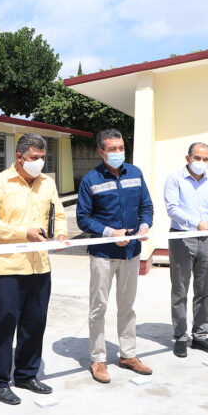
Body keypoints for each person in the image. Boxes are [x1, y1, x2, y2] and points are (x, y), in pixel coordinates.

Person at [0, 133, 68, 405]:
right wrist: (23, 233)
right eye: (33, 158)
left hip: (39, 264)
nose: (39, 162)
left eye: (42, 158)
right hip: (6, 265)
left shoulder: (47, 183)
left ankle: (27, 375)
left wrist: (61, 234)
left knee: (35, 322)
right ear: (19, 157)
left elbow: (59, 214)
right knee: (4, 324)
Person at [76, 129, 154, 383]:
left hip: (131, 252)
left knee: (127, 306)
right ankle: (98, 359)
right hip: (103, 254)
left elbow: (146, 207)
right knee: (98, 307)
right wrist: (109, 232)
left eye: (121, 148)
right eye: (113, 149)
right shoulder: (90, 179)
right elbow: (83, 218)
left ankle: (128, 354)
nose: (118, 153)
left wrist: (144, 227)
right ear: (101, 152)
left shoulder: (136, 173)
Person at [164, 142, 208, 358]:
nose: (201, 162)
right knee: (180, 290)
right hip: (182, 238)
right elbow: (172, 208)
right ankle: (180, 337)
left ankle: (200, 336)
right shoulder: (175, 179)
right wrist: (196, 223)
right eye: (197, 158)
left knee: (204, 290)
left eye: (206, 159)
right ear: (188, 158)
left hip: (207, 240)